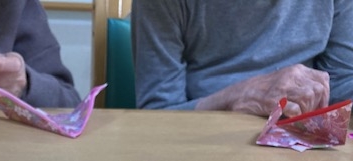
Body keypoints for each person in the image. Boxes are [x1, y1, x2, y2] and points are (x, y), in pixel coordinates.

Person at [131, 0, 353, 117]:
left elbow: (340, 81)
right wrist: (236, 98)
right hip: (202, 144)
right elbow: (158, 114)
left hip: (304, 146)